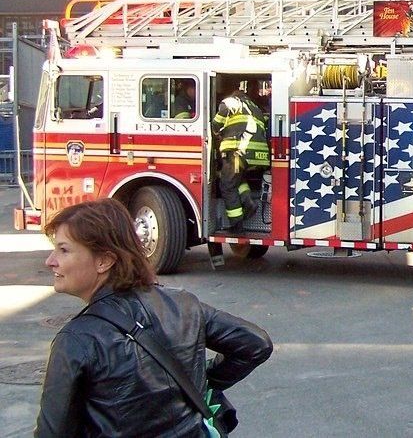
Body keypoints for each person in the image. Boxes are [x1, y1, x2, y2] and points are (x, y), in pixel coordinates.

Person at [36, 199, 273, 437]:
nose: (50, 261)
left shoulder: (76, 339)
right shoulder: (184, 304)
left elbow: (52, 433)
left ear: (104, 261)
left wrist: (199, 379)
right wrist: (198, 382)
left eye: (64, 250)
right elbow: (255, 343)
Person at [212, 82, 270, 231]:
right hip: (258, 156)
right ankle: (247, 201)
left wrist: (215, 129)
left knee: (227, 186)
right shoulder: (254, 107)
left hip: (238, 152)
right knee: (238, 179)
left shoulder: (232, 101)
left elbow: (216, 125)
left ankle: (236, 224)